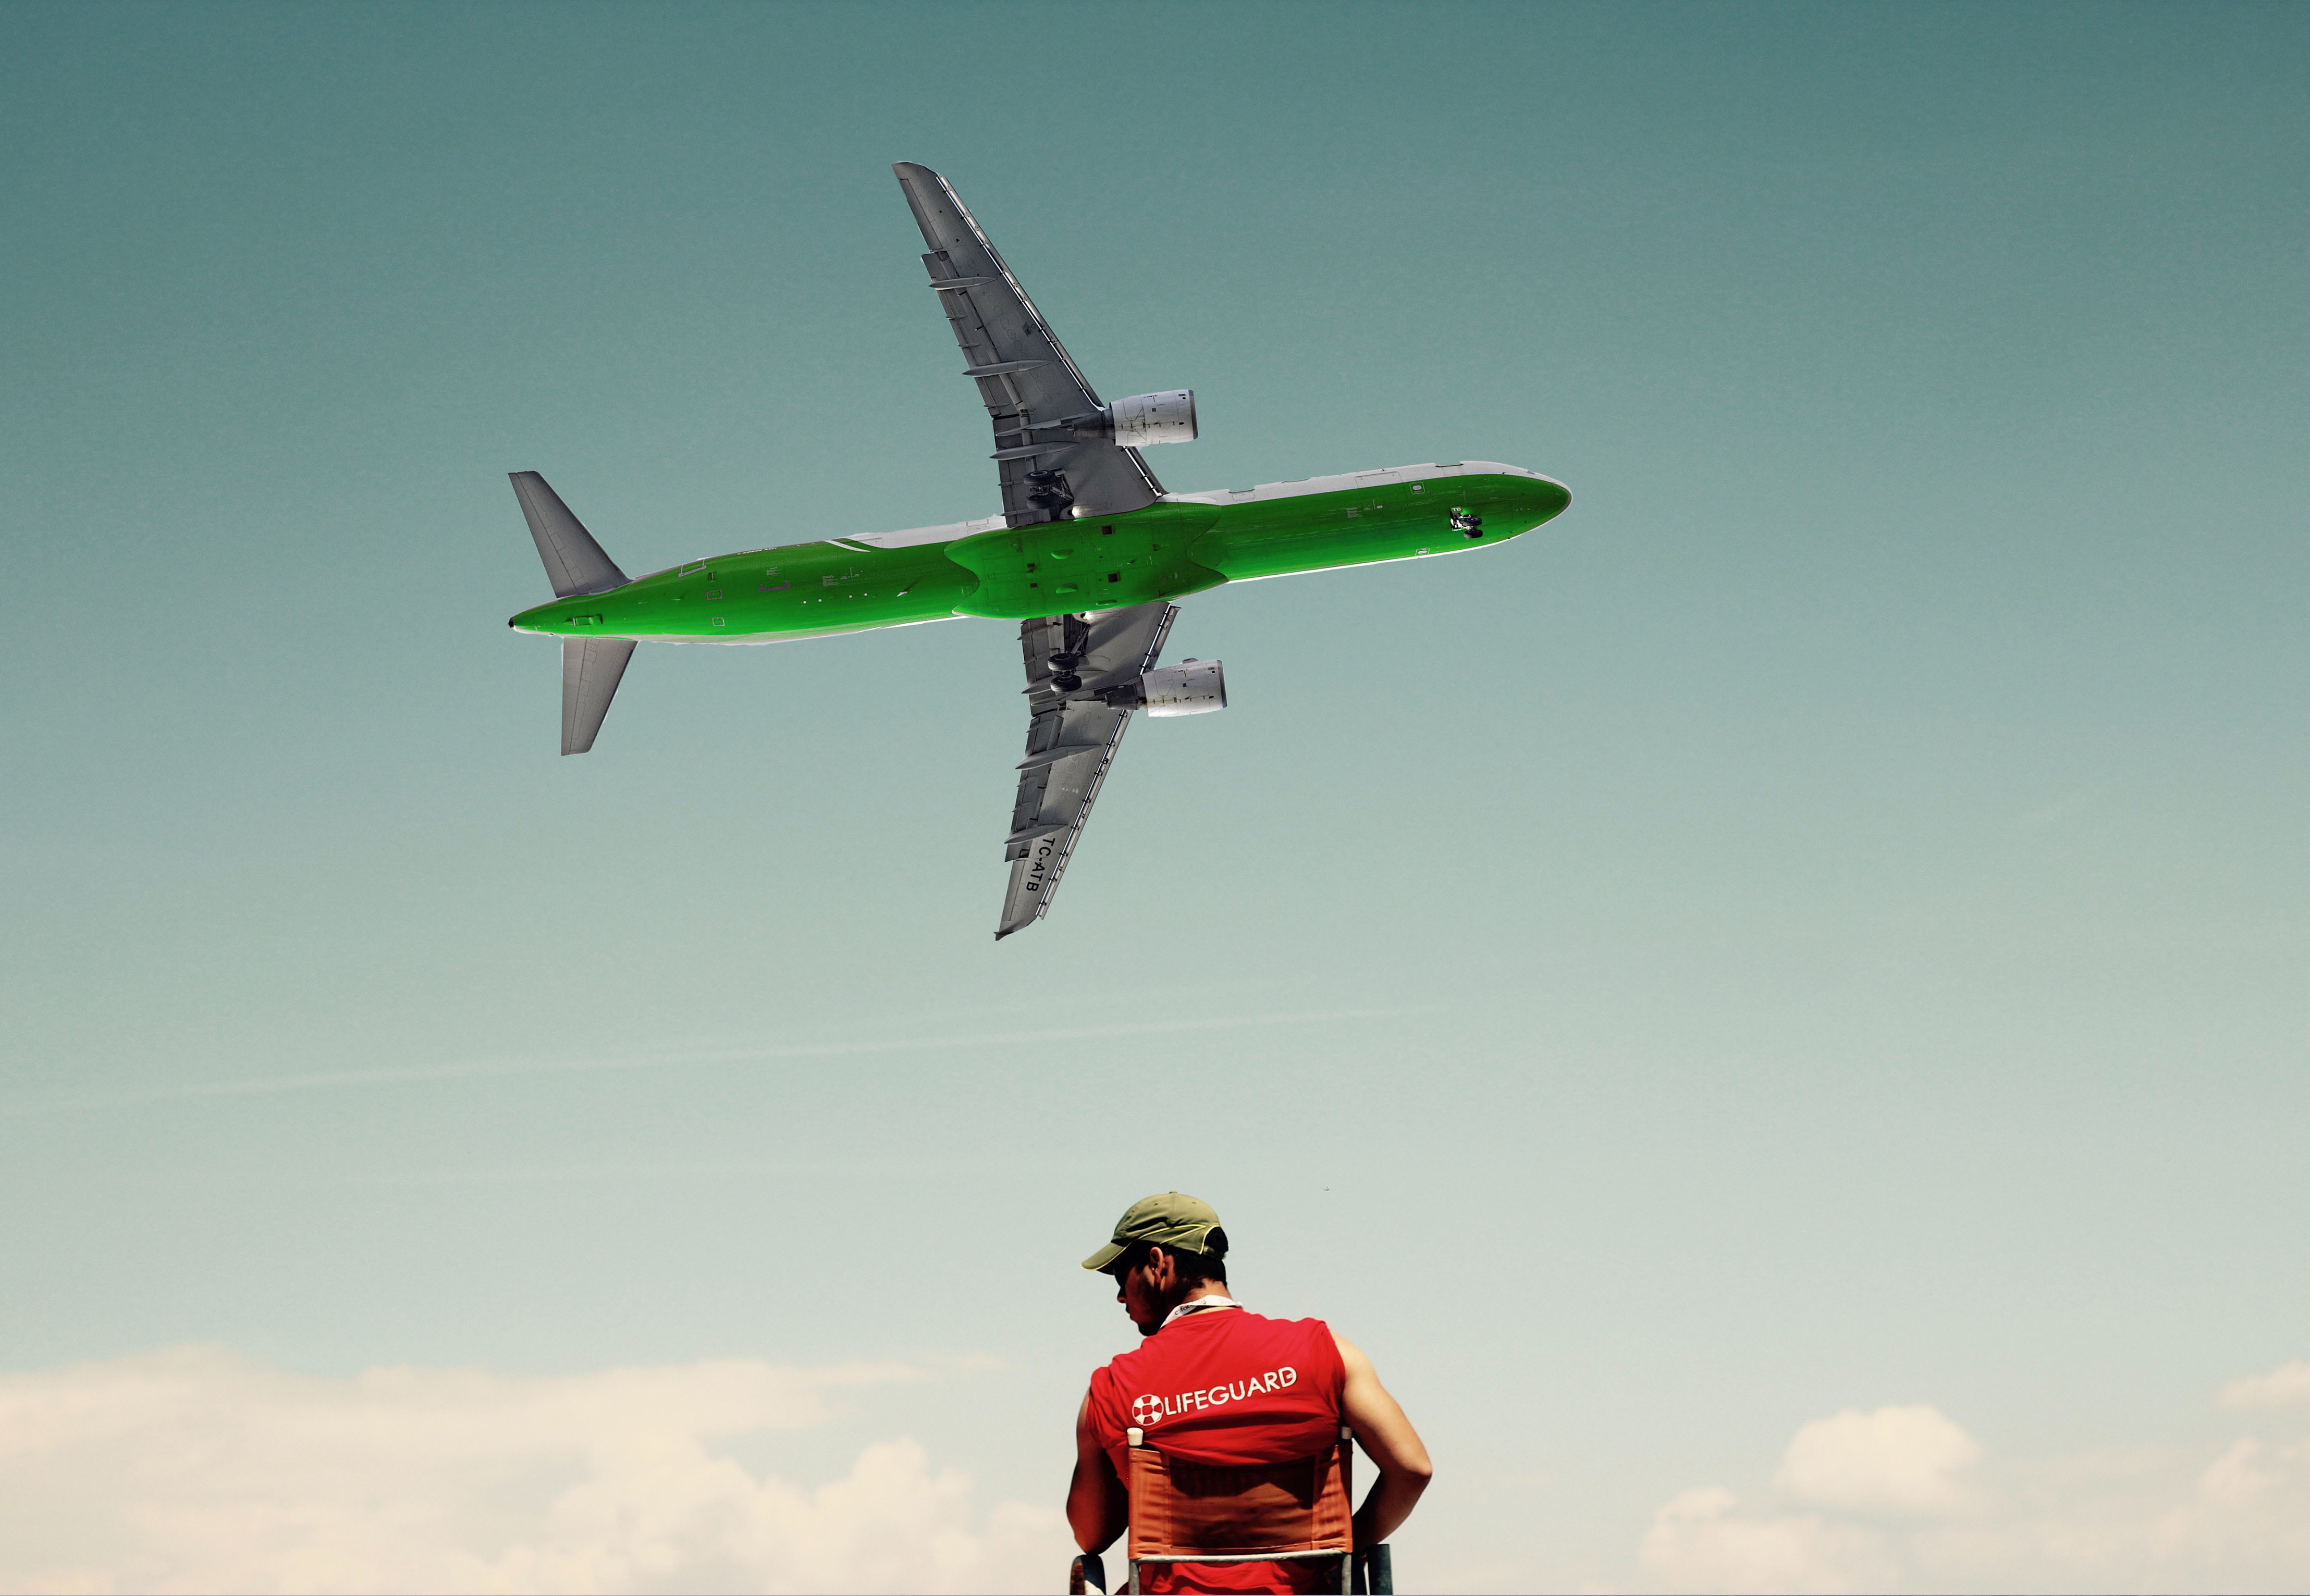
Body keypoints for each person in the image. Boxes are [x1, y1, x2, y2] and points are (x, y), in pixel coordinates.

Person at [1067, 1192, 1432, 1594]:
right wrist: (1350, 1542)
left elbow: (1091, 1537)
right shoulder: (1326, 1353)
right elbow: (1412, 1469)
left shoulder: (1112, 1388)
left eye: (1122, 1277)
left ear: (1157, 1263)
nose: (1121, 1296)